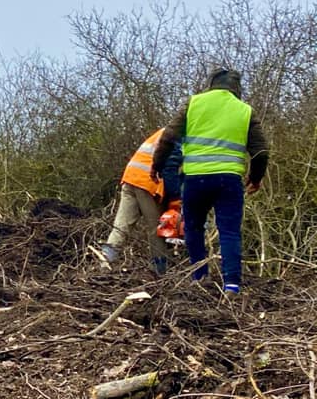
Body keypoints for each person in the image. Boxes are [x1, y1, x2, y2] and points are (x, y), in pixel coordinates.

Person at [151, 68, 268, 296]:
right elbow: (261, 151)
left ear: (211, 84)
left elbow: (168, 138)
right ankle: (232, 285)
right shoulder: (245, 111)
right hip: (229, 180)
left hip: (195, 178)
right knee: (229, 231)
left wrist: (157, 166)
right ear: (237, 88)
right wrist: (256, 178)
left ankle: (199, 277)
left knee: (194, 228)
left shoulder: (193, 103)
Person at [100, 128, 182, 274]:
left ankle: (104, 264)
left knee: (121, 226)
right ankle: (161, 272)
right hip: (149, 181)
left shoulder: (168, 130)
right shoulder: (182, 134)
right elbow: (170, 170)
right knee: (158, 229)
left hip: (131, 177)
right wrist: (175, 201)